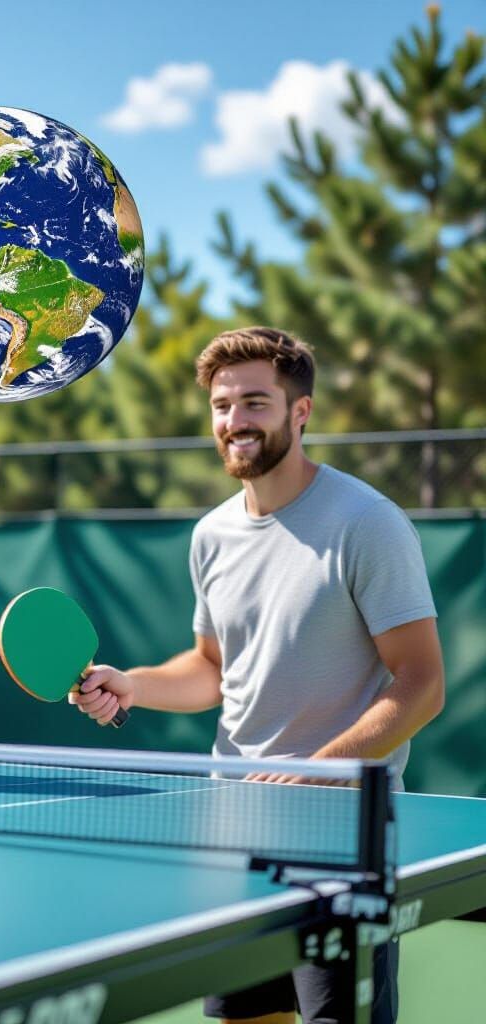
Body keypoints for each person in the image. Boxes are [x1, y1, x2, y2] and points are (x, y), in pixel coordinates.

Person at [70, 326, 444, 1024]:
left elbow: (421, 683)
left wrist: (318, 769)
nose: (234, 421)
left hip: (342, 836)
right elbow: (214, 668)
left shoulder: (368, 523)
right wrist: (135, 684)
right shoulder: (211, 535)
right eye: (221, 405)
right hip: (238, 827)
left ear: (300, 412)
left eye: (255, 403)